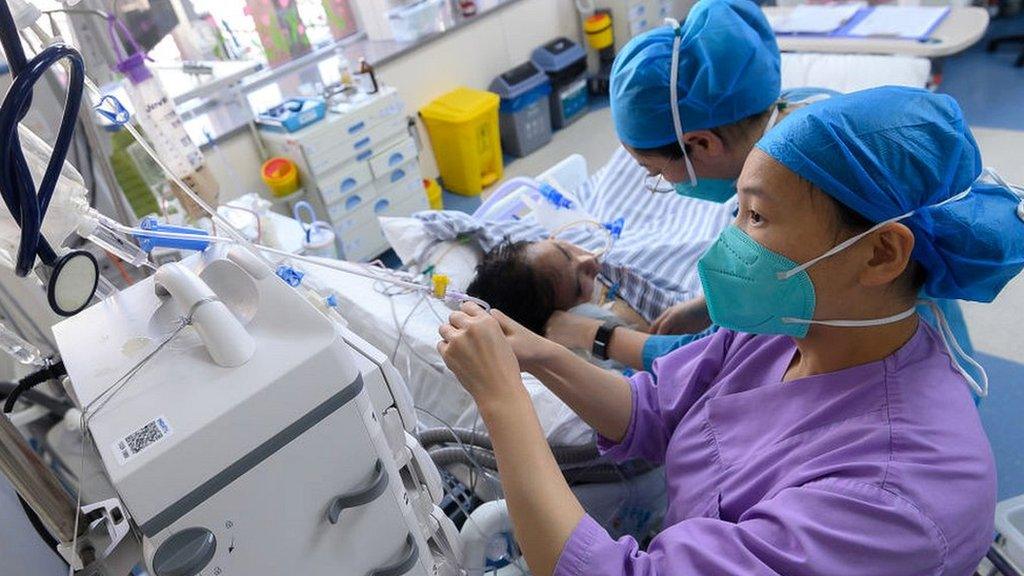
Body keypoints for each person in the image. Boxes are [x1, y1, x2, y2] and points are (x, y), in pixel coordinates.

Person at [436, 87, 1024, 575]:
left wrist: (501, 400)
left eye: (758, 217)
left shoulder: (898, 496)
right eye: (736, 211)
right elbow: (654, 408)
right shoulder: (787, 325)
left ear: (879, 254)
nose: (730, 243)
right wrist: (537, 353)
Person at [549, 0, 977, 374]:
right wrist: (703, 308)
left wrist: (595, 334)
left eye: (655, 171)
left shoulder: (795, 203)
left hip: (895, 363)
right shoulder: (805, 108)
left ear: (700, 143)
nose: (658, 181)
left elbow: (718, 358)